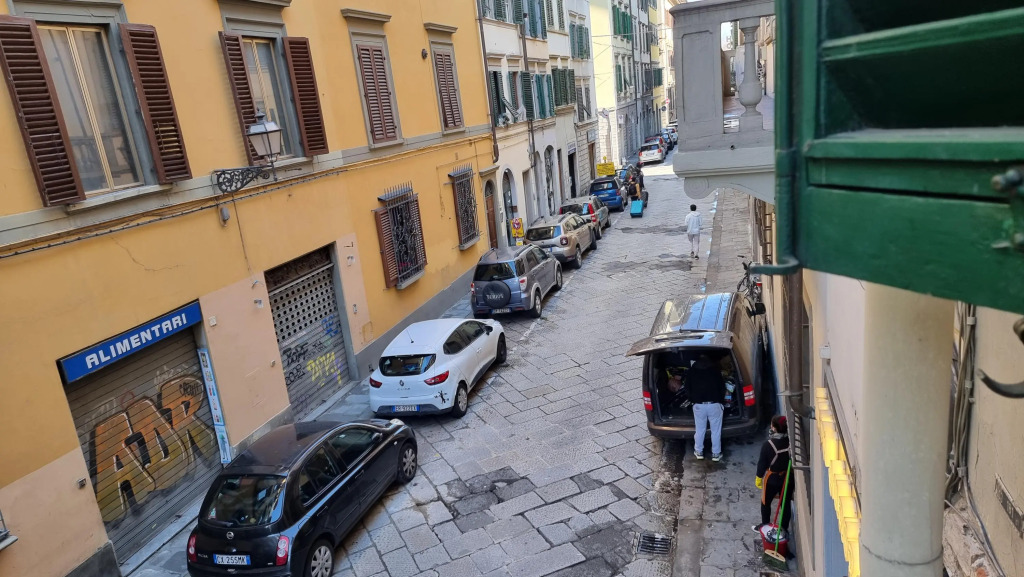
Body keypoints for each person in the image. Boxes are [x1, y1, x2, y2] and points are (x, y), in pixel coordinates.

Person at [754, 416, 793, 535]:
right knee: (785, 504)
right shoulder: (790, 442)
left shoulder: (768, 445)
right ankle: (784, 529)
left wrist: (759, 477)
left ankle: (765, 525)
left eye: (772, 425)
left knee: (765, 502)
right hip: (787, 478)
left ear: (775, 428)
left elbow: (762, 463)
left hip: (772, 479)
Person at [686, 354, 725, 461]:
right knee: (716, 431)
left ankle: (699, 452)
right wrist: (720, 401)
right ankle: (716, 454)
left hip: (699, 405)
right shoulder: (715, 371)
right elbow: (722, 387)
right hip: (714, 404)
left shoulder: (692, 371)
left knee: (700, 430)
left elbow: (687, 388)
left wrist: (692, 400)